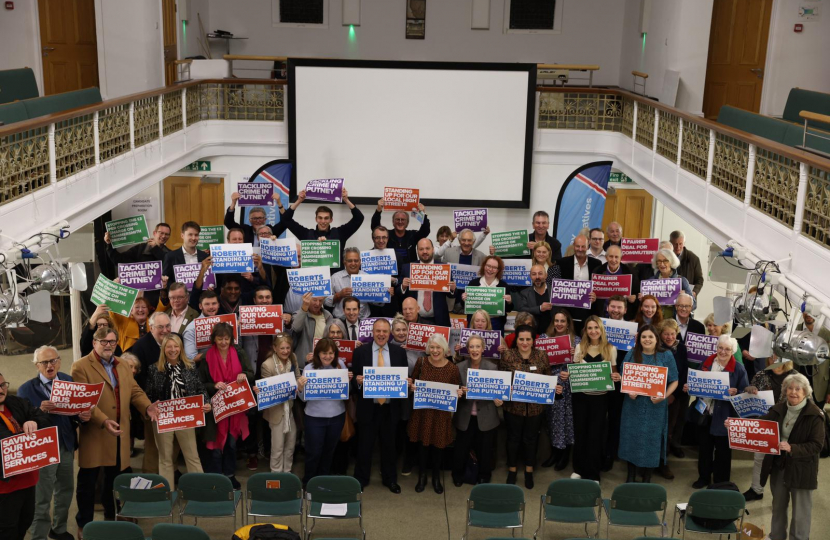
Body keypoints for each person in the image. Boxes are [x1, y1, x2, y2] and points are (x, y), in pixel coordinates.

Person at [71, 327, 158, 531]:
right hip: (95, 432)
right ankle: (84, 525)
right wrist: (103, 420)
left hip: (120, 432)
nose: (108, 345)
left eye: (112, 341)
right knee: (88, 483)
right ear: (94, 343)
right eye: (103, 342)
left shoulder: (123, 365)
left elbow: (134, 390)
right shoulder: (80, 366)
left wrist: (147, 405)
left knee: (116, 478)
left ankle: (113, 516)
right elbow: (84, 401)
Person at [17, 347, 91, 540]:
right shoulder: (26, 389)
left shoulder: (68, 381)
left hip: (66, 445)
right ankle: (38, 536)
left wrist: (83, 416)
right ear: (36, 365)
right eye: (44, 362)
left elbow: (75, 414)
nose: (50, 366)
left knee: (65, 491)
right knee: (42, 498)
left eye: (53, 361)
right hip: (43, 449)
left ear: (59, 361)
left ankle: (58, 529)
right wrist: (39, 410)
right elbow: (19, 423)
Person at [757, 372, 824, 540]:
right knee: (778, 506)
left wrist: (792, 447)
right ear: (785, 390)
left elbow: (816, 446)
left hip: (802, 468)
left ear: (806, 392)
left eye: (798, 389)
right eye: (790, 388)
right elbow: (760, 425)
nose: (793, 392)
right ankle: (776, 536)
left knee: (801, 512)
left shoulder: (815, 415)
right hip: (779, 465)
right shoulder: (778, 409)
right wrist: (735, 425)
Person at [145, 334, 211, 488]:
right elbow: (148, 394)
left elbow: (200, 389)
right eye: (169, 346)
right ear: (163, 349)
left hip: (186, 417)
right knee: (165, 458)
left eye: (176, 346)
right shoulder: (154, 369)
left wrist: (207, 403)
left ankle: (200, 491)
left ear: (181, 348)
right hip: (163, 418)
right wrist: (149, 408)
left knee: (192, 456)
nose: (173, 350)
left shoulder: (190, 367)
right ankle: (167, 495)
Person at [351, 318, 408, 492]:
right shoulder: (361, 352)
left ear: (389, 333)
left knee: (389, 446)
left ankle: (390, 479)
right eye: (378, 331)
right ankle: (361, 479)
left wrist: (406, 382)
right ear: (372, 333)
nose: (381, 334)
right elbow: (354, 381)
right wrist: (358, 382)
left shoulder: (399, 352)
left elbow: (403, 378)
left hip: (390, 408)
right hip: (369, 407)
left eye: (384, 331)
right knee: (365, 446)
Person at [684, 334, 748, 488]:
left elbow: (744, 393)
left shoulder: (739, 368)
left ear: (732, 351)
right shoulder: (706, 363)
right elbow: (697, 385)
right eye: (720, 347)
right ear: (716, 347)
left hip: (725, 416)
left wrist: (736, 392)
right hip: (705, 413)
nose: (723, 351)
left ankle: (721, 482)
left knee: (723, 452)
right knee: (704, 449)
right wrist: (689, 387)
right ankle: (703, 477)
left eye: (727, 349)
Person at [197, 322, 255, 490]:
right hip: (215, 409)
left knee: (231, 443)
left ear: (231, 339)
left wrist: (244, 375)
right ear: (214, 339)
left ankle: (229, 475)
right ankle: (216, 477)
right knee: (215, 444)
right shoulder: (206, 356)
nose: (223, 342)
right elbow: (200, 383)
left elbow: (250, 374)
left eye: (226, 338)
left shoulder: (239, 352)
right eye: (220, 338)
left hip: (235, 408)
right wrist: (213, 385)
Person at [618, 325, 678, 483]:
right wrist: (628, 390)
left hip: (655, 406)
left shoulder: (666, 355)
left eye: (650, 337)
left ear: (656, 339)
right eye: (644, 337)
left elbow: (675, 381)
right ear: (639, 339)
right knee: (631, 437)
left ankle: (647, 478)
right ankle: (630, 475)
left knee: (651, 439)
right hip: (633, 405)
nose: (647, 340)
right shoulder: (632, 353)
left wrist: (664, 397)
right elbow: (623, 375)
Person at [499, 325, 553, 489]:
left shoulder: (542, 356)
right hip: (513, 407)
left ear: (533, 340)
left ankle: (529, 470)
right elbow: (502, 379)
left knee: (531, 439)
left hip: (535, 408)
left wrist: (553, 388)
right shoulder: (508, 355)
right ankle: (512, 469)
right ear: (516, 340)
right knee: (513, 439)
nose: (524, 342)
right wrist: (509, 387)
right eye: (521, 339)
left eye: (528, 339)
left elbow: (547, 378)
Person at [406, 334, 461, 494]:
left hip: (441, 415)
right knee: (422, 445)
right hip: (422, 413)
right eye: (432, 347)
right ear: (428, 349)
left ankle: (436, 477)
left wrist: (457, 393)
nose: (435, 350)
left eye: (438, 347)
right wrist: (412, 387)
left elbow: (456, 387)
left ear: (444, 349)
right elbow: (413, 382)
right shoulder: (421, 362)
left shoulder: (452, 368)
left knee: (438, 446)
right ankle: (422, 476)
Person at [0, 371, 51, 540]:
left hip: (29, 479)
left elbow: (41, 416)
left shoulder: (16, 402)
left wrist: (34, 421)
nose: (1, 390)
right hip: (5, 487)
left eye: (2, 385)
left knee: (25, 521)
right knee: (7, 529)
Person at [570, 315, 620, 482]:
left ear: (601, 330)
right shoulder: (579, 347)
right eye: (590, 328)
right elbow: (575, 373)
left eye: (596, 328)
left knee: (595, 435)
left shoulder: (610, 349)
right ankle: (578, 469)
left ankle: (593, 473)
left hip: (600, 399)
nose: (593, 331)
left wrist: (616, 376)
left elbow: (613, 372)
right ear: (586, 330)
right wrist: (568, 374)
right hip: (581, 398)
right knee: (581, 432)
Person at [742, 356, 794, 502]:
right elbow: (748, 393)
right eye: (772, 356)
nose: (775, 359)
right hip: (765, 424)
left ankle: (781, 495)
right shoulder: (761, 374)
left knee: (783, 462)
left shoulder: (795, 376)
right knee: (759, 458)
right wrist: (749, 389)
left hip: (787, 424)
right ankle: (756, 489)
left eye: (779, 356)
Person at [299, 338, 350, 484]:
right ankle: (309, 482)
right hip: (314, 418)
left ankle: (323, 482)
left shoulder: (340, 365)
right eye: (324, 353)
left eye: (331, 353)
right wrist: (301, 388)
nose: (328, 356)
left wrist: (348, 381)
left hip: (336, 417)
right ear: (317, 353)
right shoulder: (309, 369)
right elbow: (303, 399)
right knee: (313, 453)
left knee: (329, 452)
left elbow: (345, 393)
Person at [127, 311, 172, 474]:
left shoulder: (175, 339)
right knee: (153, 446)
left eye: (168, 326)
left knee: (173, 444)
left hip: (173, 403)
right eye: (160, 327)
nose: (165, 330)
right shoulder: (141, 346)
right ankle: (152, 476)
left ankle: (170, 472)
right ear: (151, 327)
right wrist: (146, 406)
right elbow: (138, 380)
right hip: (152, 404)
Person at [453, 335, 501, 486]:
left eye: (477, 346)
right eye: (471, 347)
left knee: (485, 449)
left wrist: (498, 399)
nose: (474, 350)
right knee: (461, 448)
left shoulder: (492, 368)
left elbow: (497, 391)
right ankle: (458, 474)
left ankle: (484, 475)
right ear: (467, 350)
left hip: (486, 415)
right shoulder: (459, 367)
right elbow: (454, 393)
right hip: (465, 415)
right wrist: (459, 392)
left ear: (483, 349)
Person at [282, 188, 364, 269]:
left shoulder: (339, 233)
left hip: (335, 278)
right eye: (320, 218)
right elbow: (286, 219)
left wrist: (346, 200)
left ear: (331, 220)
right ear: (316, 219)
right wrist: (298, 200)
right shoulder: (307, 234)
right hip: (314, 278)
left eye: (326, 218)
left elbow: (359, 218)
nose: (323, 221)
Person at [257, 333, 302, 474]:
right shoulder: (267, 365)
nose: (285, 351)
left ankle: (287, 473)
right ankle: (276, 475)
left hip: (291, 410)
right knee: (277, 448)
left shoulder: (293, 358)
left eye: (288, 348)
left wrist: (299, 384)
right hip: (276, 412)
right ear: (275, 348)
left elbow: (298, 378)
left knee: (290, 446)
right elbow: (268, 391)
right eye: (282, 348)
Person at [668, 293, 705, 460]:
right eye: (681, 306)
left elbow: (701, 354)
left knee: (681, 414)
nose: (684, 309)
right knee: (667, 416)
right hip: (667, 378)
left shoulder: (698, 327)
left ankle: (676, 444)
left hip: (687, 378)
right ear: (676, 306)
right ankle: (665, 446)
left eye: (687, 306)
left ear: (692, 308)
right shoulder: (667, 322)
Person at [541, 309, 576, 471]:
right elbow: (538, 361)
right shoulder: (544, 339)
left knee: (566, 422)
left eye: (563, 321)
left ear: (568, 323)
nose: (559, 324)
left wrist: (575, 359)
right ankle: (554, 452)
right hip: (550, 385)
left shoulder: (576, 341)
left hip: (567, 387)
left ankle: (564, 454)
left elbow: (584, 367)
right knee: (551, 420)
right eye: (557, 321)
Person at [105, 222, 171, 306]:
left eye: (167, 234)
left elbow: (167, 264)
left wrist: (155, 249)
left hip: (158, 300)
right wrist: (109, 245)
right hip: (137, 299)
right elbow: (119, 261)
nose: (164, 236)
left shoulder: (170, 254)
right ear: (154, 233)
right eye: (161, 233)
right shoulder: (140, 248)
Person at [397, 238, 454, 327]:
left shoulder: (444, 268)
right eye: (421, 249)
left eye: (427, 248)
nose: (425, 252)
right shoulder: (407, 268)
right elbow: (398, 293)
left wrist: (452, 289)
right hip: (414, 319)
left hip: (439, 319)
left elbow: (452, 295)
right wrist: (403, 287)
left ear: (433, 249)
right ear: (417, 251)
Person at [556, 234, 601, 334]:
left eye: (583, 246)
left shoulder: (596, 264)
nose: (580, 249)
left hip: (587, 311)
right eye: (577, 246)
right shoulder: (562, 263)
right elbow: (556, 287)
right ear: (573, 246)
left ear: (588, 246)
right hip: (567, 311)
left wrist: (595, 295)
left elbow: (599, 287)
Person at [603, 295, 629, 471]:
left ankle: (610, 454)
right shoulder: (599, 326)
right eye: (613, 307)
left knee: (615, 419)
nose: (616, 310)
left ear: (625, 310)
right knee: (599, 418)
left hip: (620, 382)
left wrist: (623, 375)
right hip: (600, 379)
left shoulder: (631, 330)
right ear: (607, 308)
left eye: (619, 307)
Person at [655, 319, 681, 480]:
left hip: (674, 396)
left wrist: (673, 394)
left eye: (672, 333)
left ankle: (664, 463)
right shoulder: (656, 349)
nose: (669, 337)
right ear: (661, 335)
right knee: (655, 430)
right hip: (655, 396)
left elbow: (682, 373)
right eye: (666, 334)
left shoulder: (682, 349)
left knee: (668, 431)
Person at [371, 198, 430, 268]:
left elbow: (425, 230)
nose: (400, 222)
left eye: (403, 220)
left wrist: (423, 214)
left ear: (407, 223)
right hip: (391, 271)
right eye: (397, 219)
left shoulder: (412, 235)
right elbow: (376, 228)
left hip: (409, 272)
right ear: (393, 222)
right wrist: (378, 210)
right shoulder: (387, 235)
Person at [644, 248, 696, 320]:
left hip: (674, 322)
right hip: (655, 321)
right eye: (659, 261)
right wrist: (643, 299)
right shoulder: (650, 281)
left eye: (665, 261)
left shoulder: (681, 281)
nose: (662, 264)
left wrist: (685, 297)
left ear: (671, 262)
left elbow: (694, 305)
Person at [463, 255, 512, 331]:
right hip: (476, 323)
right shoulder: (473, 283)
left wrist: (509, 302)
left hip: (495, 323)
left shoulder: (503, 285)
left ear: (498, 270)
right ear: (484, 266)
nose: (490, 269)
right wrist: (464, 299)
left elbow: (508, 309)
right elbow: (466, 307)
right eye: (488, 266)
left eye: (494, 267)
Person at [326, 247, 374, 320]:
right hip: (340, 321)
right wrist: (339, 295)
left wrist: (385, 293)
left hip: (363, 320)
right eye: (350, 261)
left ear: (360, 261)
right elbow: (325, 301)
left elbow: (376, 302)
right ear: (344, 262)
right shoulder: (335, 277)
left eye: (356, 260)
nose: (353, 263)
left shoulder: (367, 277)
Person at [291, 292, 334, 370]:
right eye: (314, 300)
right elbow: (296, 328)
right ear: (307, 300)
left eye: (320, 301)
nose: (317, 304)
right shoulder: (299, 314)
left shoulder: (328, 315)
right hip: (304, 364)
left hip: (324, 364)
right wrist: (304, 307)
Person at [162, 221, 209, 286]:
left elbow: (209, 279)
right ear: (182, 235)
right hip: (179, 295)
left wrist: (209, 287)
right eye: (190, 234)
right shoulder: (170, 256)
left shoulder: (205, 256)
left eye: (196, 235)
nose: (193, 238)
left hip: (201, 295)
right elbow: (166, 280)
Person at [513, 264, 554, 335]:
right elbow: (522, 309)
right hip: (533, 333)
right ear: (530, 277)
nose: (537, 277)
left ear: (546, 275)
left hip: (553, 332)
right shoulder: (524, 293)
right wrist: (540, 308)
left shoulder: (554, 291)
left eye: (540, 274)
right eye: (534, 274)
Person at [182, 290, 222, 361]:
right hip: (203, 369)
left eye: (214, 303)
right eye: (207, 304)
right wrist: (216, 353)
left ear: (218, 305)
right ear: (200, 306)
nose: (211, 307)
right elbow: (190, 358)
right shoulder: (192, 329)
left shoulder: (226, 322)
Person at [669, 230, 704, 298]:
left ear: (684, 243)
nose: (678, 247)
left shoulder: (693, 259)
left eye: (680, 244)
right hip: (668, 298)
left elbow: (699, 280)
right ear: (670, 243)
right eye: (675, 244)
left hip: (686, 299)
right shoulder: (665, 257)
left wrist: (694, 292)